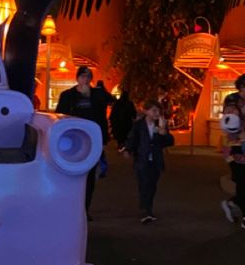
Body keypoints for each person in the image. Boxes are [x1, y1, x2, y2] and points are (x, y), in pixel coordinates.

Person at [56, 65, 111, 219]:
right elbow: (60, 115)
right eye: (82, 77)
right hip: (73, 138)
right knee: (71, 173)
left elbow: (104, 112)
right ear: (77, 78)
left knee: (89, 175)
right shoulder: (68, 95)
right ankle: (70, 206)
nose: (85, 80)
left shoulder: (97, 95)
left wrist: (98, 93)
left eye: (88, 77)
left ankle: (84, 208)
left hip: (92, 138)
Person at [123, 100, 174, 223]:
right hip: (142, 159)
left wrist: (163, 133)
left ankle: (147, 207)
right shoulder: (139, 125)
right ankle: (146, 210)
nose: (157, 113)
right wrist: (128, 149)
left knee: (152, 185)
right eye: (154, 110)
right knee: (144, 184)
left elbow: (170, 142)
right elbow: (132, 139)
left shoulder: (161, 124)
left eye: (158, 111)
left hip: (155, 160)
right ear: (146, 111)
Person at [219, 73, 245, 227]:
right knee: (242, 181)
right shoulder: (232, 100)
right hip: (235, 149)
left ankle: (231, 203)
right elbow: (229, 123)